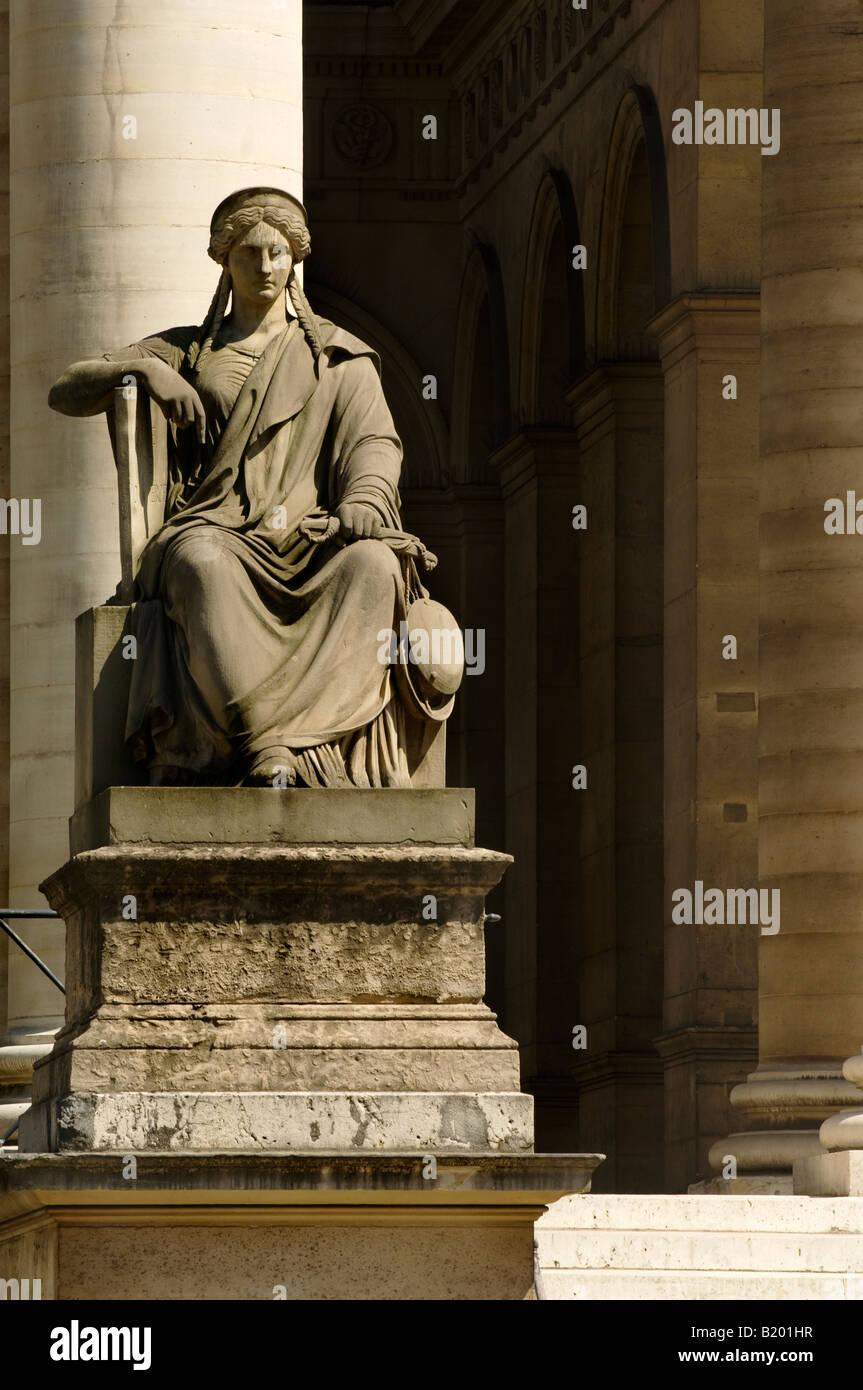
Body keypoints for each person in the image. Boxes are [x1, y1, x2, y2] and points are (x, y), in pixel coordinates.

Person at [48, 186, 417, 788]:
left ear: (296, 258)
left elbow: (375, 443)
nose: (265, 267)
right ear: (224, 259)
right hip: (214, 528)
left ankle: (307, 739)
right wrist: (141, 369)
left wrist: (362, 501)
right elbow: (67, 388)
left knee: (374, 567)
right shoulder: (187, 350)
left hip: (307, 538)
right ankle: (259, 740)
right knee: (200, 567)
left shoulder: (338, 357)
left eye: (277, 253)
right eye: (248, 253)